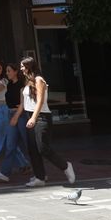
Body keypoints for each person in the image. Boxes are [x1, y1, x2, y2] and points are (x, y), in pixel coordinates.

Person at [19, 54, 75, 187]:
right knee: (32, 149)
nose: (21, 69)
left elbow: (40, 101)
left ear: (29, 66)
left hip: (41, 117)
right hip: (30, 115)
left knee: (43, 148)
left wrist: (33, 117)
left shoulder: (39, 80)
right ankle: (40, 177)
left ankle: (66, 166)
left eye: (22, 66)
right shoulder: (29, 81)